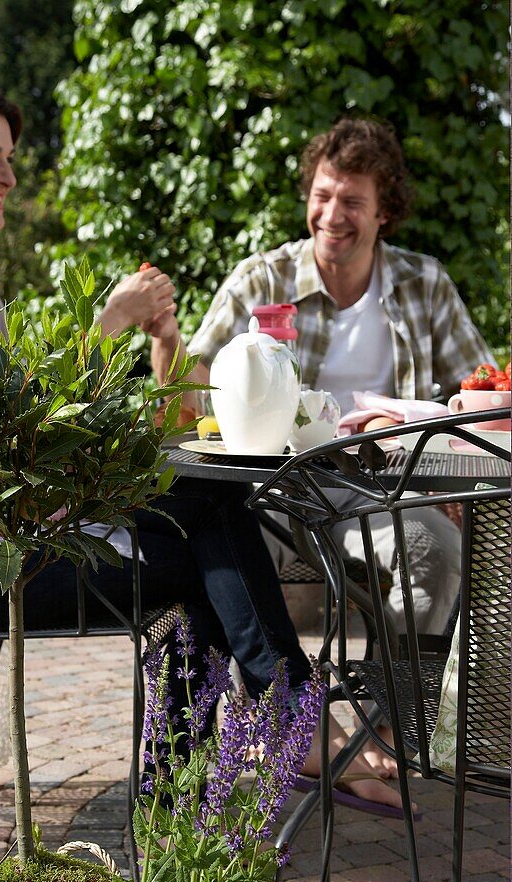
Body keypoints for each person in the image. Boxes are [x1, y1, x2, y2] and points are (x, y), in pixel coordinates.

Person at [0, 72, 360, 800]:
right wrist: (108, 321)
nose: (9, 176)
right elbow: (20, 433)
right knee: (207, 537)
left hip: (6, 537)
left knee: (207, 516)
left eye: (7, 156)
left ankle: (212, 766)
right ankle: (274, 731)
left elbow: (25, 425)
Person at [147, 116, 495, 639]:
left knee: (438, 555)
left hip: (379, 491)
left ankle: (385, 716)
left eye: (352, 202)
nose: (332, 216)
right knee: (210, 568)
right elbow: (193, 394)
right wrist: (168, 338)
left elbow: (483, 396)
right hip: (264, 493)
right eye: (322, 195)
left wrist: (439, 450)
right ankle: (279, 718)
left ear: (384, 213)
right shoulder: (264, 277)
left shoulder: (425, 285)